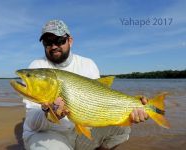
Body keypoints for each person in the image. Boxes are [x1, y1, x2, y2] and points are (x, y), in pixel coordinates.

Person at [23, 20, 148, 150]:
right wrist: (48, 115)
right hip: (49, 134)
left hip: (79, 131)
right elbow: (32, 123)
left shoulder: (88, 64)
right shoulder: (37, 67)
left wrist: (131, 107)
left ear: (70, 40)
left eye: (59, 40)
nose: (53, 46)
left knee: (122, 129)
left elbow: (102, 104)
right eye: (47, 42)